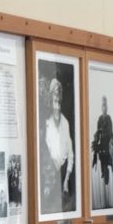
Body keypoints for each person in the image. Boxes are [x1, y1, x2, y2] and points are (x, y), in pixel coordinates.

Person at [43, 78, 74, 213]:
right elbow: (44, 153)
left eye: (59, 102)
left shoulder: (65, 123)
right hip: (50, 174)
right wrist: (47, 180)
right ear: (51, 102)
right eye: (55, 101)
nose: (57, 105)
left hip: (64, 173)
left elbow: (71, 154)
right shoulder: (46, 124)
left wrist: (66, 179)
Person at [92, 95, 113, 189]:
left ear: (107, 107)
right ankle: (103, 171)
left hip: (108, 141)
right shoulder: (99, 119)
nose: (104, 108)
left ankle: (108, 169)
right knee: (100, 155)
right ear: (101, 107)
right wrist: (97, 136)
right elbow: (98, 131)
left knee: (108, 153)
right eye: (103, 106)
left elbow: (110, 131)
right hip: (102, 142)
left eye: (105, 106)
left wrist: (104, 133)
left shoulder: (109, 118)